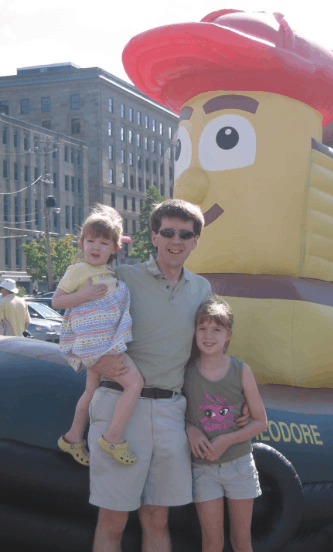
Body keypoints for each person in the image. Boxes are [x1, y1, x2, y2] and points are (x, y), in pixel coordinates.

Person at [88, 199, 213, 552]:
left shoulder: (202, 289)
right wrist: (96, 361)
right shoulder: (122, 278)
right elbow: (84, 329)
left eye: (185, 234)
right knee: (112, 519)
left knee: (157, 517)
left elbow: (200, 357)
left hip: (171, 412)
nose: (177, 240)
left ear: (195, 241)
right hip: (120, 408)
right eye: (168, 232)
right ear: (154, 236)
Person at [53, 204, 143, 468]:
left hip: (102, 342)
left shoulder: (109, 273)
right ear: (82, 243)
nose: (94, 247)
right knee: (134, 384)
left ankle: (72, 437)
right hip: (98, 347)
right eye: (90, 241)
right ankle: (113, 436)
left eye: (103, 243)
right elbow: (58, 301)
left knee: (90, 392)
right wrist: (85, 296)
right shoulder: (77, 271)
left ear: (115, 248)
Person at [185, 296, 267, 552]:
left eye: (216, 330)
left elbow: (260, 421)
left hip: (239, 465)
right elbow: (178, 413)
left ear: (228, 334)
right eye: (202, 329)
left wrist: (227, 440)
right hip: (203, 469)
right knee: (211, 542)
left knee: (241, 541)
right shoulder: (186, 372)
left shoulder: (241, 370)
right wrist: (191, 430)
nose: (208, 336)